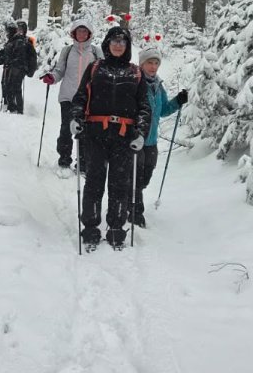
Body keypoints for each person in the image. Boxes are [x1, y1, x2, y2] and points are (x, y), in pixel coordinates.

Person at [70, 22, 151, 249]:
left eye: (122, 41)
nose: (118, 45)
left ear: (128, 46)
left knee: (119, 184)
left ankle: (116, 227)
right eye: (114, 41)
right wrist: (76, 118)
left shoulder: (135, 72)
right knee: (94, 182)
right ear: (107, 43)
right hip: (95, 133)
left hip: (124, 137)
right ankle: (90, 227)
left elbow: (144, 107)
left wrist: (141, 133)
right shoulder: (95, 68)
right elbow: (80, 97)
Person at [135, 40, 188, 227]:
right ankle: (135, 212)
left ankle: (130, 198)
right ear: (142, 64)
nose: (153, 66)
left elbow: (164, 109)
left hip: (152, 141)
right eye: (149, 62)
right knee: (135, 177)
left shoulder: (158, 85)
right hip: (135, 139)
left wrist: (177, 101)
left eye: (156, 63)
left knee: (145, 177)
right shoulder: (135, 82)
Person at [40, 17, 101, 171]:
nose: (82, 34)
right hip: (68, 96)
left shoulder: (96, 51)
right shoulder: (67, 51)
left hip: (88, 98)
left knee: (85, 131)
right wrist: (52, 77)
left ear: (89, 34)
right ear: (74, 33)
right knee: (66, 129)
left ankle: (83, 163)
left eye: (85, 31)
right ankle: (64, 159)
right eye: (79, 31)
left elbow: (102, 73)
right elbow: (59, 71)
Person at [1, 19, 38, 113]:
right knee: (7, 85)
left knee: (15, 88)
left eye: (21, 29)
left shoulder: (27, 40)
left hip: (19, 68)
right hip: (11, 67)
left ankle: (17, 109)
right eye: (19, 28)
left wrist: (29, 70)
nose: (20, 31)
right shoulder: (14, 39)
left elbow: (31, 55)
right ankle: (10, 105)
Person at [0, 20, 17, 106]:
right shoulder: (10, 41)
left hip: (12, 68)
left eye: (8, 31)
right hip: (8, 67)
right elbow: (5, 57)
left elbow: (9, 56)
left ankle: (9, 103)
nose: (7, 33)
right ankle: (7, 102)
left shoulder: (14, 42)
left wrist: (1, 58)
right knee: (5, 84)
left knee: (8, 85)